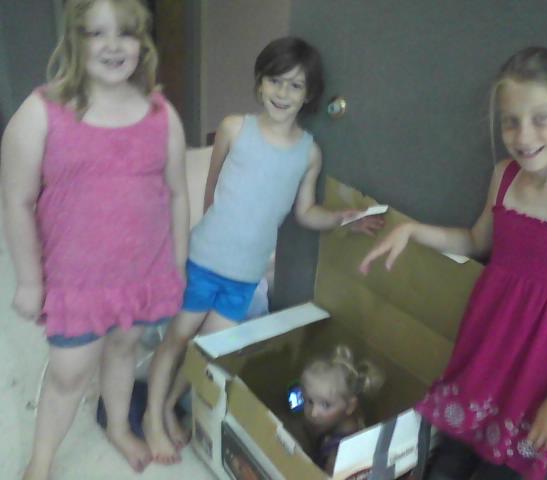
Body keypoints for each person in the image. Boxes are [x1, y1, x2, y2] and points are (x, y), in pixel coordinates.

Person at [359, 47, 547, 480]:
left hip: (537, 384)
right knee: (443, 469)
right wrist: (411, 230)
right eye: (510, 121)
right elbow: (476, 241)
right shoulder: (505, 175)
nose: (523, 136)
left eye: (541, 118)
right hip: (483, 362)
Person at [143, 36, 385, 464]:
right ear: (260, 82)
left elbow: (305, 212)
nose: (282, 93)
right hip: (204, 261)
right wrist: (212, 236)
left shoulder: (308, 153)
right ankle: (151, 416)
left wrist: (342, 218)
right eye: (275, 81)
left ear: (308, 95)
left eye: (295, 85)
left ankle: (167, 406)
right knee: (179, 337)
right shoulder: (234, 128)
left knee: (205, 350)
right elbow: (212, 189)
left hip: (244, 276)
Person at [0, 0, 189, 478]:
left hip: (142, 272)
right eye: (96, 33)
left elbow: (176, 193)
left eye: (125, 33)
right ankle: (41, 462)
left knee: (124, 350)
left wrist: (178, 264)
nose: (112, 46)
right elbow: (17, 201)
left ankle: (119, 426)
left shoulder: (161, 114)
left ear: (141, 43)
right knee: (69, 374)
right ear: (74, 40)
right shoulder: (41, 112)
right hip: (77, 282)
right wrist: (29, 281)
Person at [301, 345, 384, 474]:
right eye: (310, 401)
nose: (313, 413)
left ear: (350, 406)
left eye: (325, 405)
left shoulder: (337, 457)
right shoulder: (350, 420)